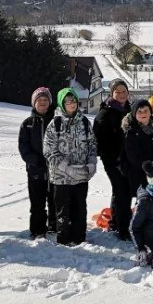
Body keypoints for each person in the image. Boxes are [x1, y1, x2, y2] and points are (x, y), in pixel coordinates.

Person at [43, 88, 97, 246]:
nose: (72, 104)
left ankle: (80, 238)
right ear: (62, 103)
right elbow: (49, 150)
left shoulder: (85, 122)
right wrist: (66, 168)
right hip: (61, 178)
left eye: (73, 100)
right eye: (68, 101)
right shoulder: (55, 124)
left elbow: (92, 145)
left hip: (81, 175)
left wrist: (92, 163)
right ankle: (64, 240)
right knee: (63, 211)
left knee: (80, 208)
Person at [92, 79, 132, 239]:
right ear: (112, 94)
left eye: (124, 91)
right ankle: (123, 230)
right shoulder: (105, 113)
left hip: (127, 160)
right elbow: (99, 141)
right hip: (113, 160)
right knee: (123, 192)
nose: (121, 94)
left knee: (121, 191)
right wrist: (113, 158)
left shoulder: (129, 109)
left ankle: (116, 222)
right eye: (118, 92)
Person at [19, 87, 57, 238]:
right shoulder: (28, 124)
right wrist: (36, 160)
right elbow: (23, 146)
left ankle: (55, 226)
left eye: (45, 100)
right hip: (36, 170)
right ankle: (37, 229)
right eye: (39, 100)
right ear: (34, 103)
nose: (42, 103)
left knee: (55, 200)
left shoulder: (57, 121)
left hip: (55, 169)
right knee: (37, 203)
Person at [120, 99, 153, 229]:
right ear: (134, 114)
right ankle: (138, 227)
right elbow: (132, 154)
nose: (143, 113)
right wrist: (146, 164)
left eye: (145, 111)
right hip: (138, 172)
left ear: (150, 113)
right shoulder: (131, 131)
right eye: (139, 111)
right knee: (142, 201)